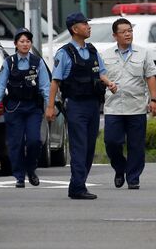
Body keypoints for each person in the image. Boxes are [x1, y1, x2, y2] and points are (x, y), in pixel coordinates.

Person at [45, 12, 117, 199]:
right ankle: (78, 187)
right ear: (74, 29)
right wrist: (50, 107)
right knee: (79, 146)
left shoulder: (92, 50)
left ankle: (77, 184)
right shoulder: (65, 53)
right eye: (85, 24)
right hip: (76, 105)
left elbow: (101, 72)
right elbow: (56, 81)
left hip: (93, 104)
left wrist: (109, 83)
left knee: (89, 147)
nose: (88, 27)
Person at [101, 18, 156, 190]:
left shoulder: (143, 53)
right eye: (123, 31)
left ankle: (133, 177)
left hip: (137, 107)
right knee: (111, 142)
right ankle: (120, 168)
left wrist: (154, 100)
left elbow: (150, 76)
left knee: (136, 146)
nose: (128, 34)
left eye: (130, 31)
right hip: (113, 107)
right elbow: (100, 76)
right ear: (114, 35)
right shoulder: (105, 55)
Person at [0, 28, 50, 188]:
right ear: (16, 44)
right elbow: (0, 85)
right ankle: (19, 176)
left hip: (33, 108)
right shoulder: (8, 63)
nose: (25, 44)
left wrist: (49, 105)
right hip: (14, 108)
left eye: (28, 41)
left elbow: (45, 86)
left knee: (34, 141)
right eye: (22, 41)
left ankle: (31, 170)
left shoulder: (38, 63)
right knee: (15, 143)